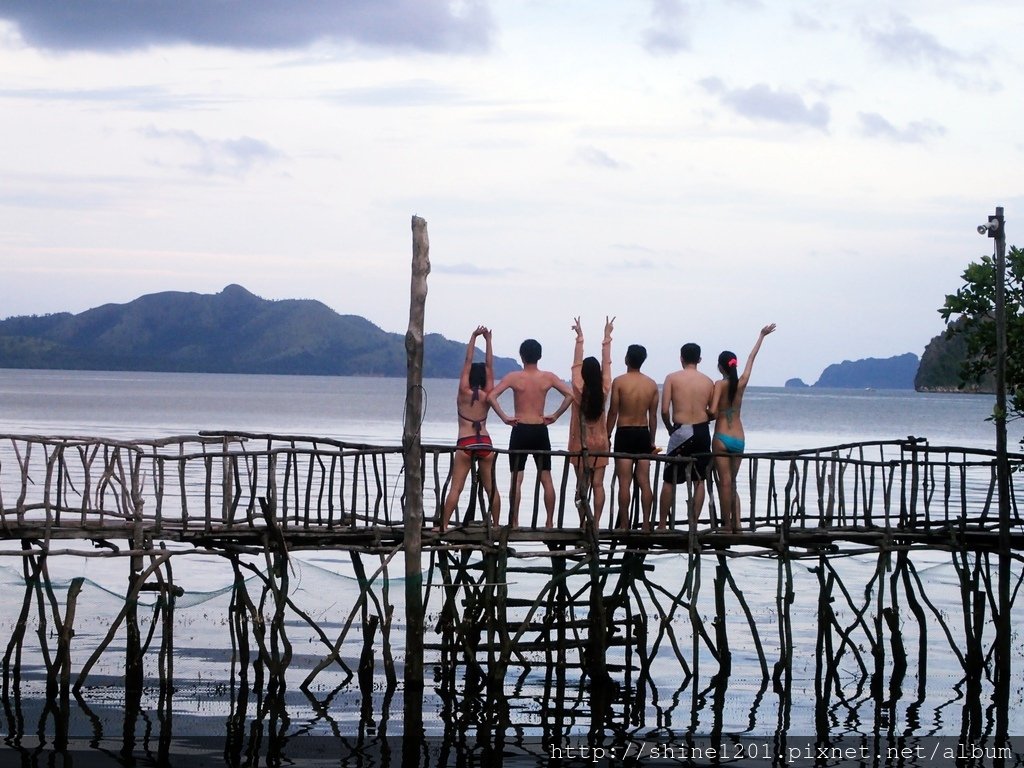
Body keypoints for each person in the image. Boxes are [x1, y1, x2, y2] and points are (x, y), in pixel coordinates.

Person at [487, 338, 574, 528]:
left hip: (520, 429)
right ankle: (550, 522)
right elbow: (570, 395)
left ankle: (515, 521)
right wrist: (556, 416)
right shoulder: (548, 377)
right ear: (539, 356)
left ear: (521, 356)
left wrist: (504, 417)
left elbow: (491, 396)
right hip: (539, 429)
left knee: (516, 479)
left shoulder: (513, 377)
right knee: (546, 477)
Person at [710, 323, 776, 532]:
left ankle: (727, 525)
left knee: (725, 482)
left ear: (721, 367)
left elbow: (712, 412)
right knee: (734, 482)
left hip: (721, 437)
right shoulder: (743, 382)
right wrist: (761, 337)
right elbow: (751, 358)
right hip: (739, 438)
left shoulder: (719, 385)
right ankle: (738, 523)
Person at [440, 326, 499, 532]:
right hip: (484, 442)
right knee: (491, 487)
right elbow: (490, 367)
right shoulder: (488, 394)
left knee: (456, 487)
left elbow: (467, 362)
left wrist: (473, 337)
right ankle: (496, 525)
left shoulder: (463, 392)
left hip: (465, 442)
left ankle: (444, 525)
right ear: (483, 379)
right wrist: (489, 340)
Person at [659, 343, 714, 529]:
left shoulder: (672, 378)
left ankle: (662, 524)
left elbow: (665, 410)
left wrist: (669, 429)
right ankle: (694, 523)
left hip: (681, 430)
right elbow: (713, 411)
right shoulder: (708, 381)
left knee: (669, 478)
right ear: (699, 359)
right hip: (702, 430)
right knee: (700, 480)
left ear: (681, 358)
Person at [606, 343, 659, 531]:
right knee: (644, 481)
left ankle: (625, 523)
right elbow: (653, 417)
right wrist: (652, 441)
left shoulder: (619, 382)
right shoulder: (651, 384)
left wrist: (607, 434)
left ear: (627, 358)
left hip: (625, 433)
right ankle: (646, 523)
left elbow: (613, 411)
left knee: (624, 483)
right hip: (643, 433)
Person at [567, 316, 614, 527]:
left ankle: (583, 522)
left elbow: (576, 365)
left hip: (580, 444)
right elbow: (607, 364)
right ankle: (596, 523)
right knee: (598, 484)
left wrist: (580, 339)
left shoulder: (578, 388)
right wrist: (607, 338)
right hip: (601, 443)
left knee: (582, 485)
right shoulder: (604, 388)